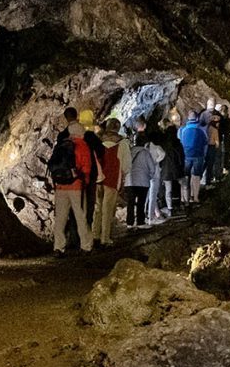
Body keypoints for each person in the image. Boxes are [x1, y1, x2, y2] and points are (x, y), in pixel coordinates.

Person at [50, 107, 94, 256]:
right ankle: (86, 245)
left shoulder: (61, 144)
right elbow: (86, 168)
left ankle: (58, 247)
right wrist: (85, 181)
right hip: (76, 186)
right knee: (80, 215)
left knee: (60, 217)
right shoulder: (82, 146)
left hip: (61, 186)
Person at [93, 118, 131, 247]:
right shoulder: (122, 143)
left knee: (97, 208)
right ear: (118, 128)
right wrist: (124, 177)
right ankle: (105, 237)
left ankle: (95, 235)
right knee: (108, 208)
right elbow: (126, 165)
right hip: (112, 178)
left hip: (97, 178)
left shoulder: (97, 140)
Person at [125, 136, 157, 229]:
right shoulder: (146, 153)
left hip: (129, 181)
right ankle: (140, 222)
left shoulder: (129, 152)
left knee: (130, 203)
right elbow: (152, 168)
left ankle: (129, 223)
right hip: (143, 181)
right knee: (141, 202)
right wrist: (149, 176)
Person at [179, 110, 208, 203]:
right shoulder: (201, 130)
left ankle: (183, 197)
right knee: (196, 177)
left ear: (188, 118)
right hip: (198, 156)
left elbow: (179, 142)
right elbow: (205, 142)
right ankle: (195, 197)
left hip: (186, 156)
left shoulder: (182, 130)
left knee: (185, 176)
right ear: (197, 118)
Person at [160, 124, 185, 217]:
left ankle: (170, 208)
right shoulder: (178, 143)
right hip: (177, 168)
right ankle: (184, 203)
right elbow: (182, 156)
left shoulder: (163, 144)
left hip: (166, 169)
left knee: (168, 189)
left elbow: (161, 158)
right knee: (183, 186)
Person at [145, 133, 166, 224]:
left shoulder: (145, 148)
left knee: (147, 196)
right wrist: (156, 161)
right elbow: (163, 154)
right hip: (155, 174)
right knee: (153, 196)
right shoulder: (157, 148)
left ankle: (146, 214)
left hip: (146, 174)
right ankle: (151, 216)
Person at [203, 111, 221, 185]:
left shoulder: (207, 128)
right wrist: (217, 147)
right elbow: (217, 142)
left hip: (205, 147)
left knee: (204, 165)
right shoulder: (215, 130)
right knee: (210, 166)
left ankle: (198, 179)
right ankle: (208, 182)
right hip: (212, 148)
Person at [217, 104, 230, 173]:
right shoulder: (221, 119)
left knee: (225, 153)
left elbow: (229, 128)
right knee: (222, 154)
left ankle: (225, 167)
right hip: (222, 138)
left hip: (225, 138)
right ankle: (222, 168)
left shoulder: (226, 118)